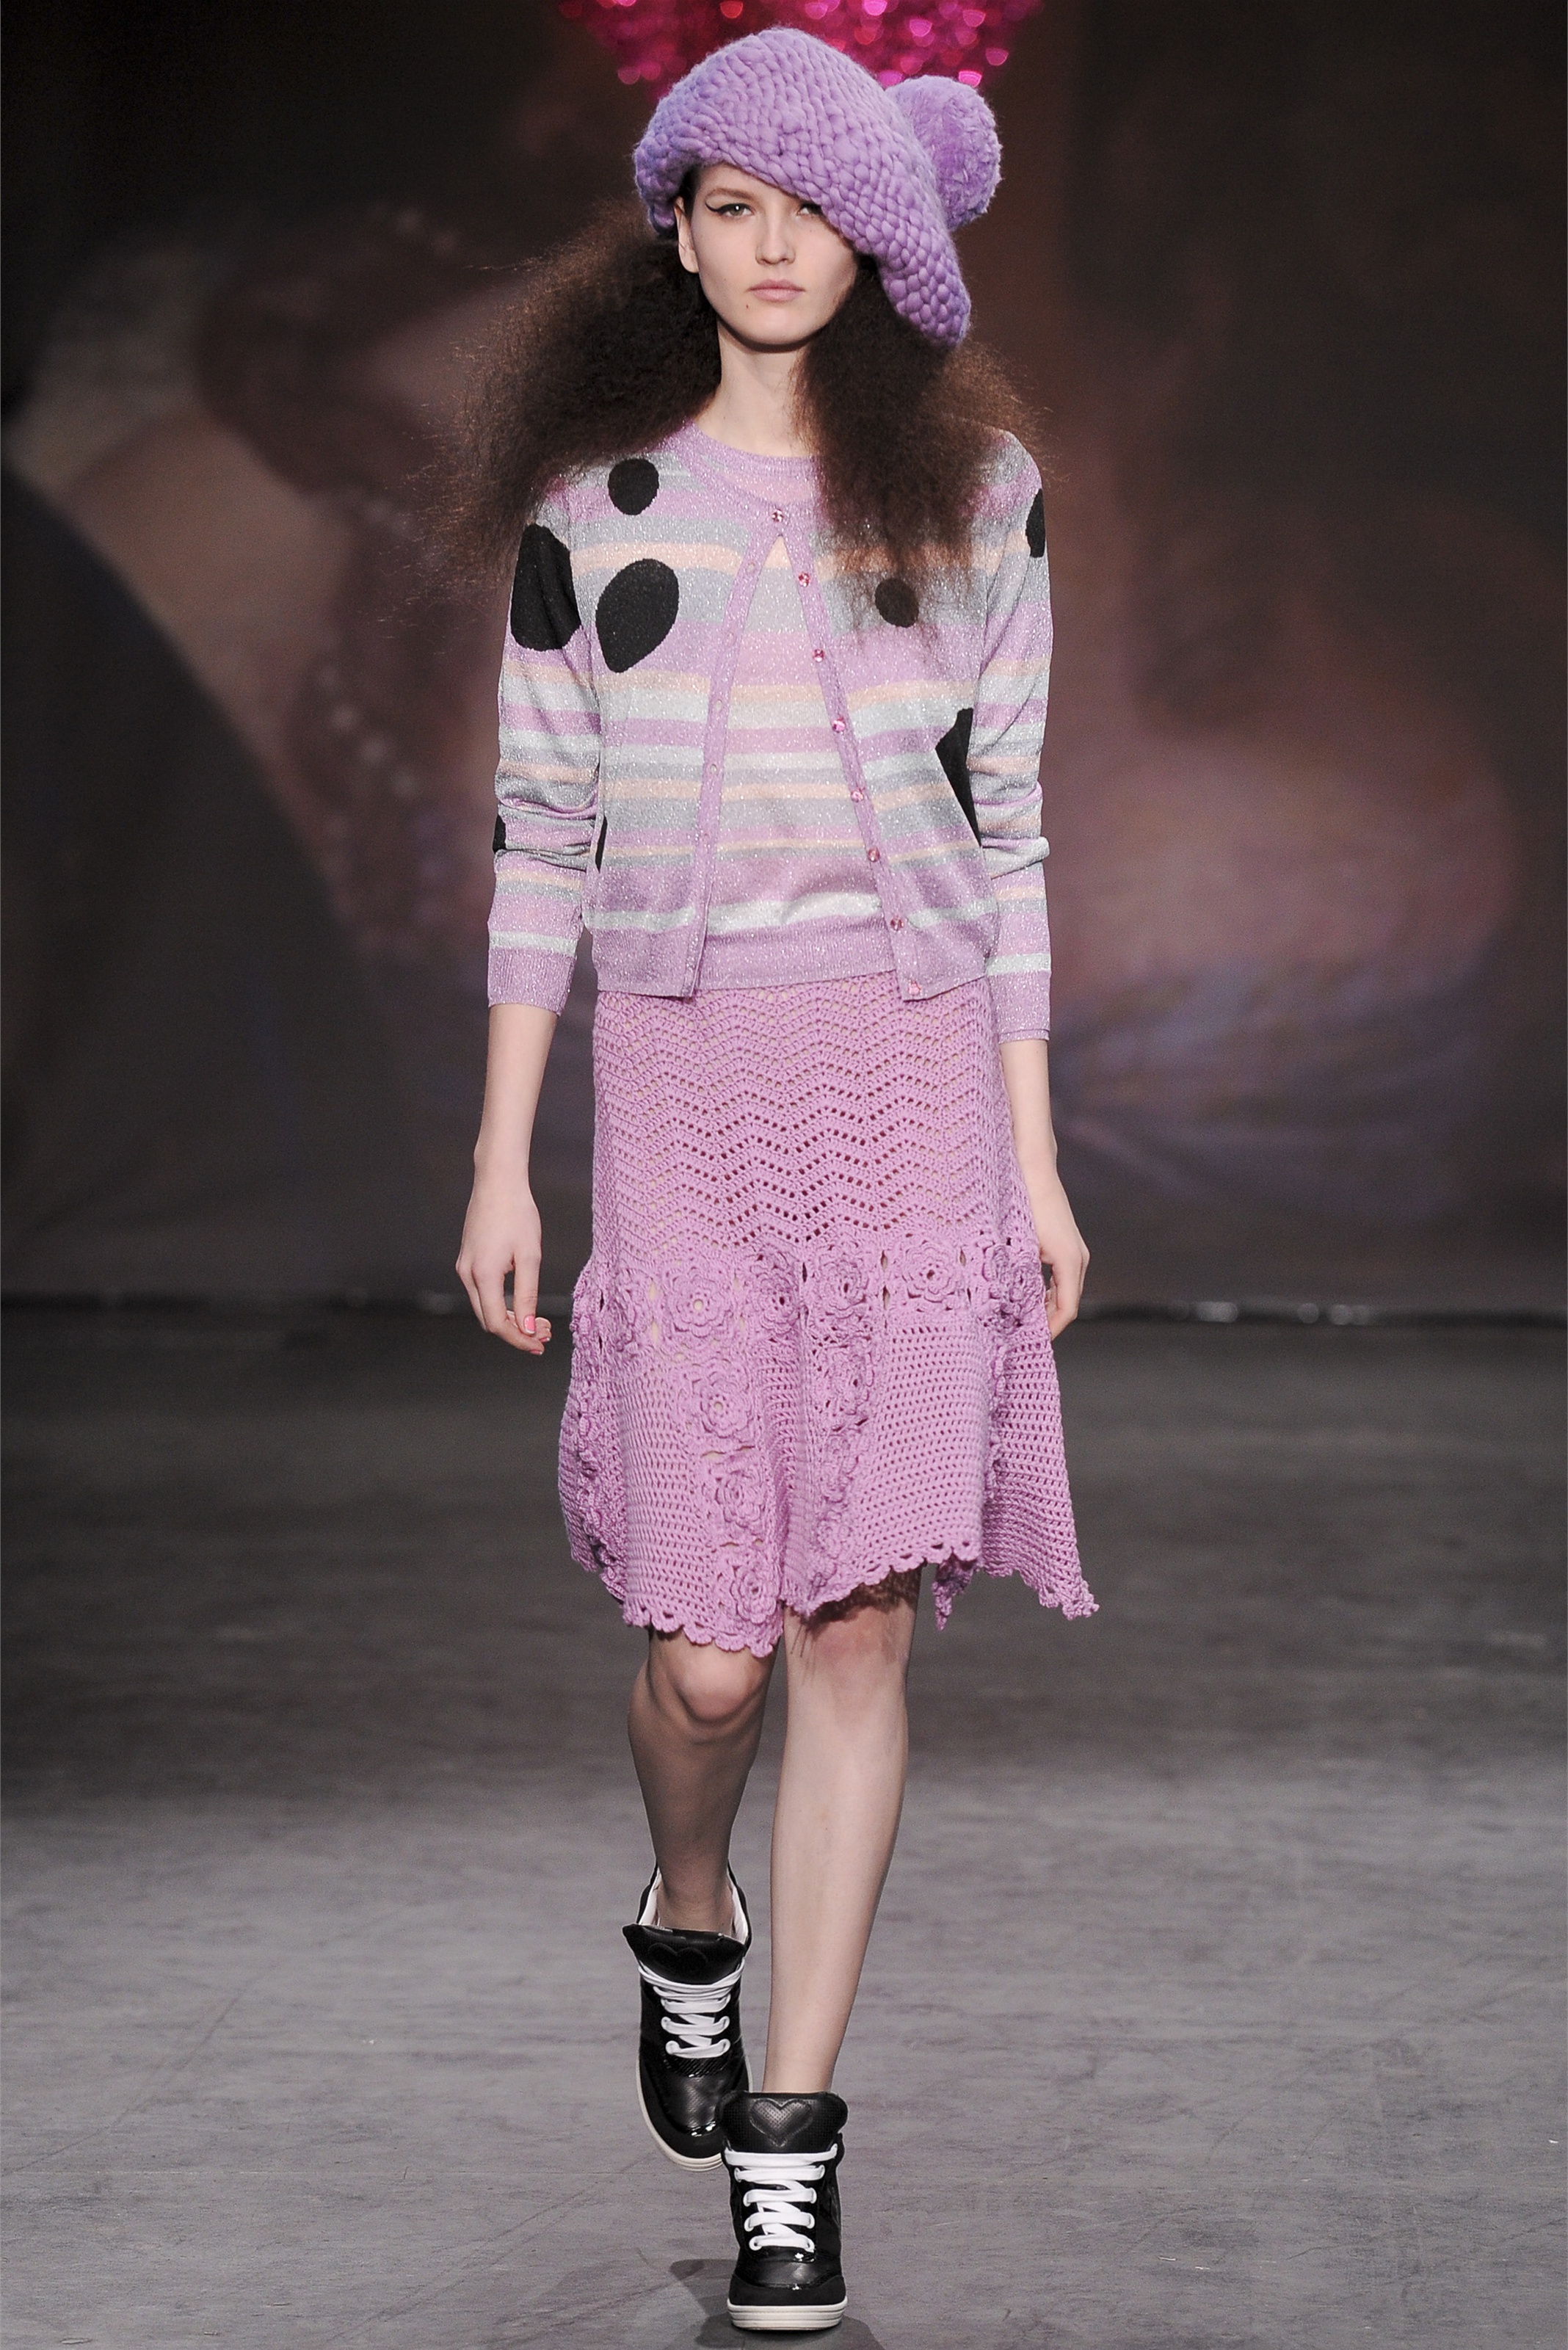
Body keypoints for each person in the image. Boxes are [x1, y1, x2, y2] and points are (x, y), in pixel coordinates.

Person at [456, 29, 1096, 2332]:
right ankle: (686, 1910)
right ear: (679, 230)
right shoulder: (592, 512)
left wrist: (1035, 1161)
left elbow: (1012, 836)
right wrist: (504, 1154)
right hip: (689, 1090)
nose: (771, 244)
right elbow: (540, 834)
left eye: (811, 205)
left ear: (881, 229)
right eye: (730, 204)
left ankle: (793, 2151)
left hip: (910, 1083)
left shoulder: (981, 495)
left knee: (854, 1626)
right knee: (708, 1657)